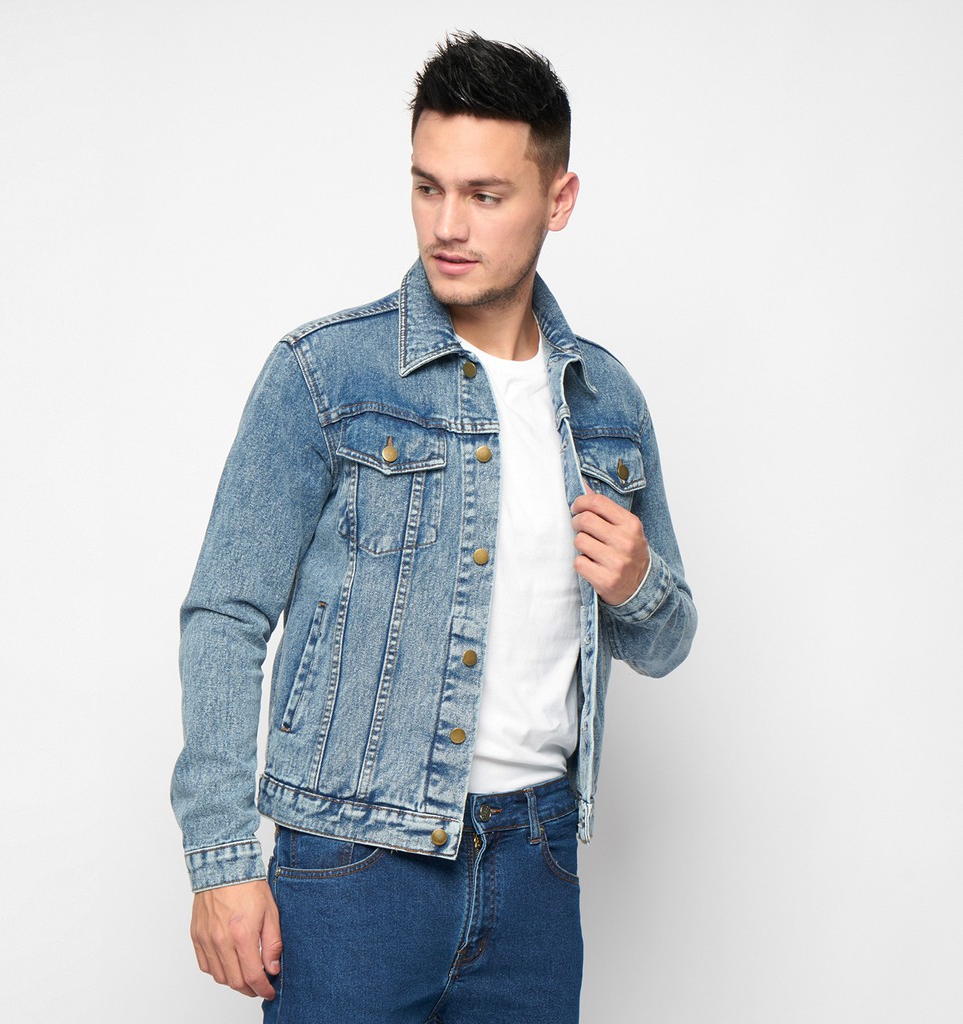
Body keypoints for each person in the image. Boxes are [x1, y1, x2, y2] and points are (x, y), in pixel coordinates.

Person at [171, 31, 696, 1024]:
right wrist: (221, 859)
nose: (447, 225)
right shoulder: (326, 375)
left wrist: (640, 586)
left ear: (559, 199)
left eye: (485, 196)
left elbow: (667, 642)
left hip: (537, 865)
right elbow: (225, 615)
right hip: (353, 865)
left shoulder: (605, 403)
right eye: (428, 188)